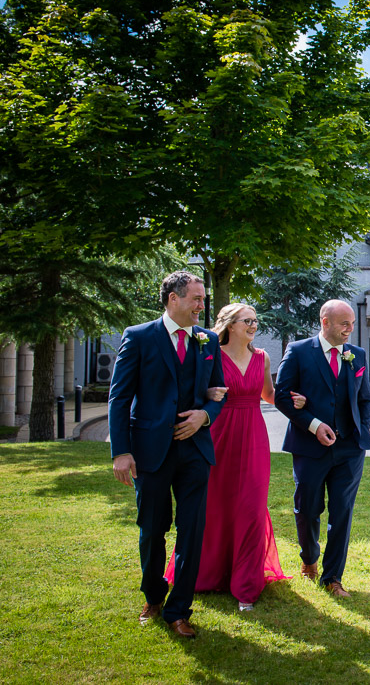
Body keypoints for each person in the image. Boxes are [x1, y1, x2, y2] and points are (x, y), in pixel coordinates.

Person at [109, 271, 226, 638]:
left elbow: (218, 394)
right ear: (172, 299)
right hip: (150, 452)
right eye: (195, 299)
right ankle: (154, 597)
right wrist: (122, 451)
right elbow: (120, 398)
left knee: (192, 531)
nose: (202, 306)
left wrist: (205, 415)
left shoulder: (208, 341)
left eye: (203, 299)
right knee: (152, 530)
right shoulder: (139, 337)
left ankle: (179, 610)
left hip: (195, 451)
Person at [162, 303, 298, 611]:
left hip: (253, 438)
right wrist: (207, 396)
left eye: (255, 320)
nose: (253, 325)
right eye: (246, 320)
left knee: (250, 508)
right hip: (217, 435)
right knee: (214, 505)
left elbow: (268, 394)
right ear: (229, 324)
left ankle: (246, 585)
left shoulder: (261, 358)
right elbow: (195, 391)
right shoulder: (209, 354)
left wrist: (298, 404)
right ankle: (207, 574)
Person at [274, 300, 370, 598]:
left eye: (352, 324)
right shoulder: (299, 351)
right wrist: (313, 424)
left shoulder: (356, 355)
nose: (350, 330)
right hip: (309, 446)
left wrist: (363, 429)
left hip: (350, 449)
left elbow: (365, 399)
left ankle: (333, 577)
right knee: (307, 508)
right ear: (325, 322)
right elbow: (281, 396)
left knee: (342, 511)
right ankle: (309, 559)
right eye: (344, 324)